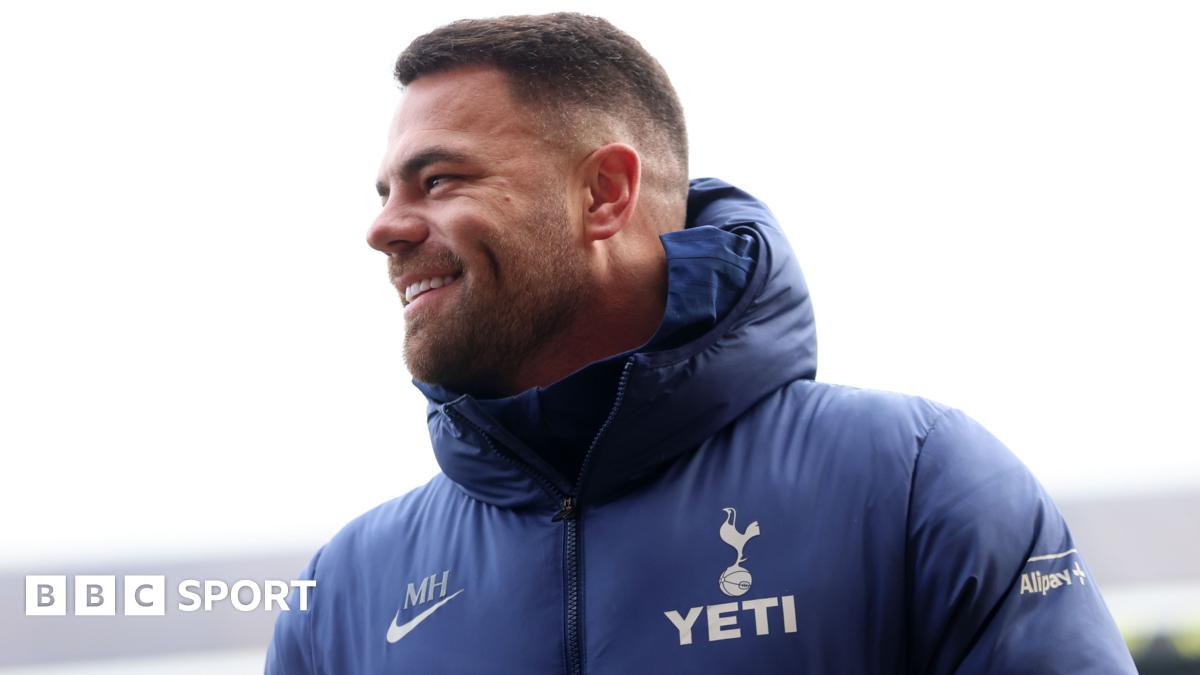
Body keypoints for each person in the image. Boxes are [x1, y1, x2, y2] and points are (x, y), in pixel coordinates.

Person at [266, 12, 1136, 674]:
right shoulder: (344, 593)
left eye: (439, 178)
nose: (383, 228)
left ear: (605, 193)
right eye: (386, 190)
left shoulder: (915, 482)